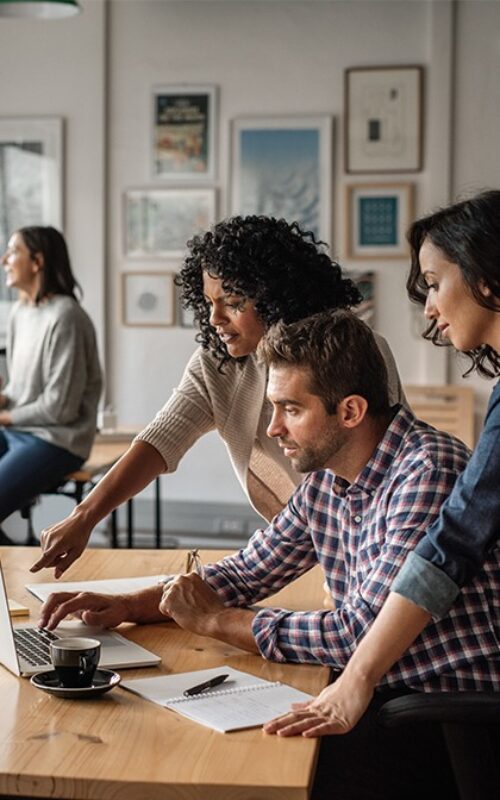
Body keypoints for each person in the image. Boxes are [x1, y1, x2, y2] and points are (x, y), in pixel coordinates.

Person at [39, 310, 499, 800]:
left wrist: (218, 623)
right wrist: (133, 605)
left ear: (350, 412)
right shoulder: (329, 475)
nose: (273, 429)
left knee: (231, 770)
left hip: (442, 715)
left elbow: (355, 634)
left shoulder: (425, 471)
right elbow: (249, 570)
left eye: (290, 410)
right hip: (383, 695)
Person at [30, 215, 404, 576]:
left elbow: (381, 471)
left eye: (233, 303)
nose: (215, 319)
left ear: (278, 297)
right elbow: (160, 440)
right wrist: (84, 517)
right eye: (209, 303)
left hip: (370, 539)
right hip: (295, 542)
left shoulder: (352, 352)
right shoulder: (218, 363)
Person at [265, 188, 500, 739]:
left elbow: (455, 543)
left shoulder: (428, 463)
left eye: (436, 283)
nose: (430, 307)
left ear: (488, 276)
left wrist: (358, 676)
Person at [0, 226, 102, 546]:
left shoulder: (66, 317)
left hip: (56, 441)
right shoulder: (19, 313)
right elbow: (21, 392)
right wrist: (3, 400)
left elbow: (60, 407)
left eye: (13, 251)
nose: (4, 259)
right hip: (17, 432)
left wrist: (4, 417)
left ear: (37, 261)